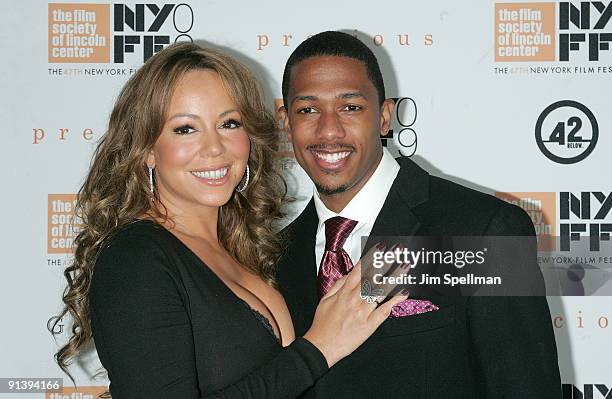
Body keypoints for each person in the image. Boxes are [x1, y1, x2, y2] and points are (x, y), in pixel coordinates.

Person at [49, 42, 409, 398]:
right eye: (185, 128)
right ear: (146, 150)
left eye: (229, 123)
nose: (214, 148)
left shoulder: (252, 251)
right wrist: (317, 350)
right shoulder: (137, 259)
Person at [277, 31, 563, 398]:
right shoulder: (275, 255)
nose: (329, 130)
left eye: (350, 107)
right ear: (286, 122)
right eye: (308, 110)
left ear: (384, 117)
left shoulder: (484, 232)